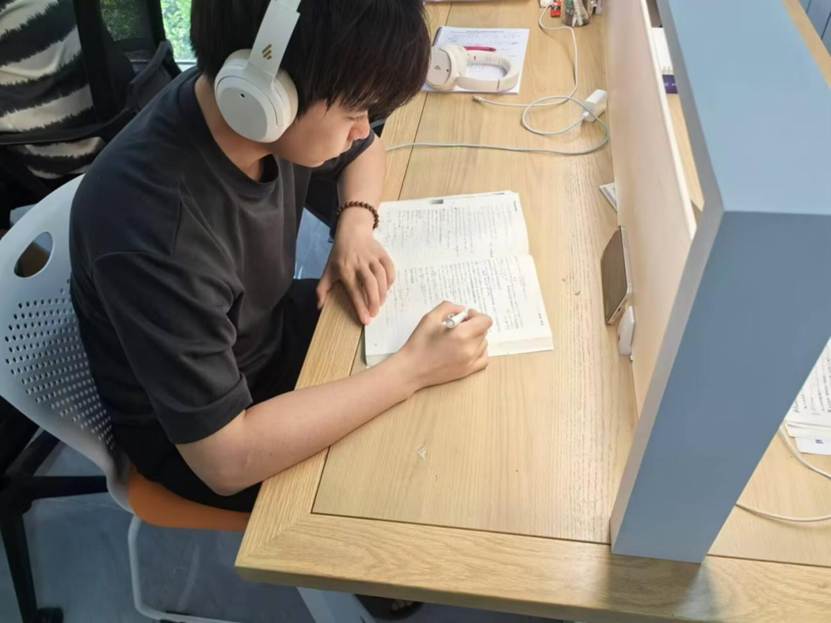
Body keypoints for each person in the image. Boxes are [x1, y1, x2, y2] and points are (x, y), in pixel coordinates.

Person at [70, 0, 492, 515]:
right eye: (354, 113)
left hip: (265, 336)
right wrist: (411, 371)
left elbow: (365, 153)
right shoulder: (155, 229)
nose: (363, 129)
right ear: (266, 97)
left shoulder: (246, 111)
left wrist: (354, 225)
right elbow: (225, 460)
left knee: (460, 403)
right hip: (207, 440)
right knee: (419, 476)